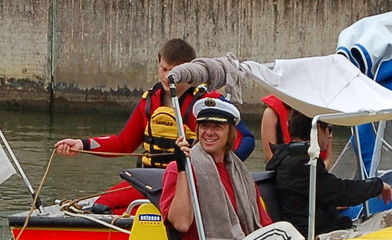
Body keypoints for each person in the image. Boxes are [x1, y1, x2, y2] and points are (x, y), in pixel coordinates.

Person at [54, 38, 253, 211]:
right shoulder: (150, 101)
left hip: (186, 181)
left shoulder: (207, 102)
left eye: (173, 71)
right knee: (102, 206)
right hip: (149, 179)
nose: (167, 77)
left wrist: (217, 166)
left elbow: (246, 139)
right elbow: (124, 144)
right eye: (163, 69)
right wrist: (82, 144)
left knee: (138, 212)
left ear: (189, 71)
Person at [163, 97, 303, 240]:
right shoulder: (180, 168)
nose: (209, 132)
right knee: (283, 233)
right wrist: (183, 169)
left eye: (217, 127)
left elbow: (263, 225)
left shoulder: (240, 173)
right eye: (204, 126)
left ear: (230, 133)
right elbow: (181, 223)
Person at [267, 109, 392, 236]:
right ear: (318, 128)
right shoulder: (303, 164)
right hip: (317, 236)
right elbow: (342, 192)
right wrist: (378, 185)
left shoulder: (290, 158)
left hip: (319, 228)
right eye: (329, 129)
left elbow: (321, 193)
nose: (331, 136)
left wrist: (329, 205)